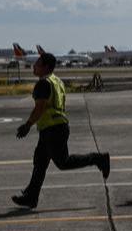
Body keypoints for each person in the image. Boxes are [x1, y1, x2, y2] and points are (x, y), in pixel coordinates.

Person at [12, 52, 110, 209]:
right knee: (40, 162)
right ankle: (31, 197)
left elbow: (40, 107)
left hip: (53, 129)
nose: (34, 65)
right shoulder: (56, 81)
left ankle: (99, 159)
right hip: (52, 128)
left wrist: (27, 125)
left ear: (45, 67)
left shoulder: (43, 83)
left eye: (37, 63)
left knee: (63, 163)